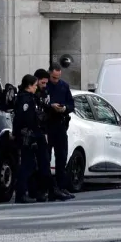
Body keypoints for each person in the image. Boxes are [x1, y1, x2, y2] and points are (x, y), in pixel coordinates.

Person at [14, 74, 65, 203]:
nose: (37, 88)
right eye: (35, 85)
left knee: (41, 164)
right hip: (30, 136)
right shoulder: (25, 99)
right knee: (27, 165)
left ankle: (49, 190)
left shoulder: (32, 97)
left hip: (36, 134)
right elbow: (24, 119)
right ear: (29, 86)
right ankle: (21, 194)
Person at [44, 64, 76, 201]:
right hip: (47, 125)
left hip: (61, 125)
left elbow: (72, 105)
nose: (56, 80)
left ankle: (61, 187)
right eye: (53, 77)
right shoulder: (45, 85)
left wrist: (64, 109)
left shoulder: (64, 86)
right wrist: (51, 106)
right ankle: (48, 188)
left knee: (62, 157)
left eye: (58, 77)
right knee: (45, 158)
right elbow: (41, 103)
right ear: (49, 74)